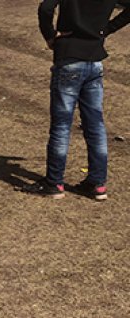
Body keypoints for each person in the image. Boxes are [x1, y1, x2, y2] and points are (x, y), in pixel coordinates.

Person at [21, 0, 130, 201]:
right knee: (95, 125)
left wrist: (50, 36)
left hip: (69, 56)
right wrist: (106, 30)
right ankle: (97, 183)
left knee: (62, 125)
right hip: (94, 59)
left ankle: (54, 182)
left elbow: (46, 8)